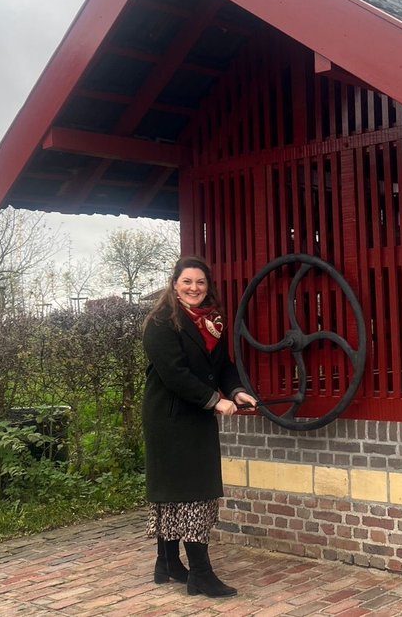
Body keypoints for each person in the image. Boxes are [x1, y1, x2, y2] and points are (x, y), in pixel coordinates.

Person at [141, 256, 257, 598]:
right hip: (170, 418)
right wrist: (214, 400)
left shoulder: (212, 323)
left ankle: (167, 564)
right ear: (174, 284)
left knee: (183, 491)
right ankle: (200, 574)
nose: (194, 288)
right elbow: (175, 374)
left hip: (195, 414)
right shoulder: (160, 323)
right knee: (189, 492)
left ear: (208, 287)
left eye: (201, 283)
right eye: (187, 281)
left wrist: (236, 391)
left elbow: (223, 366)